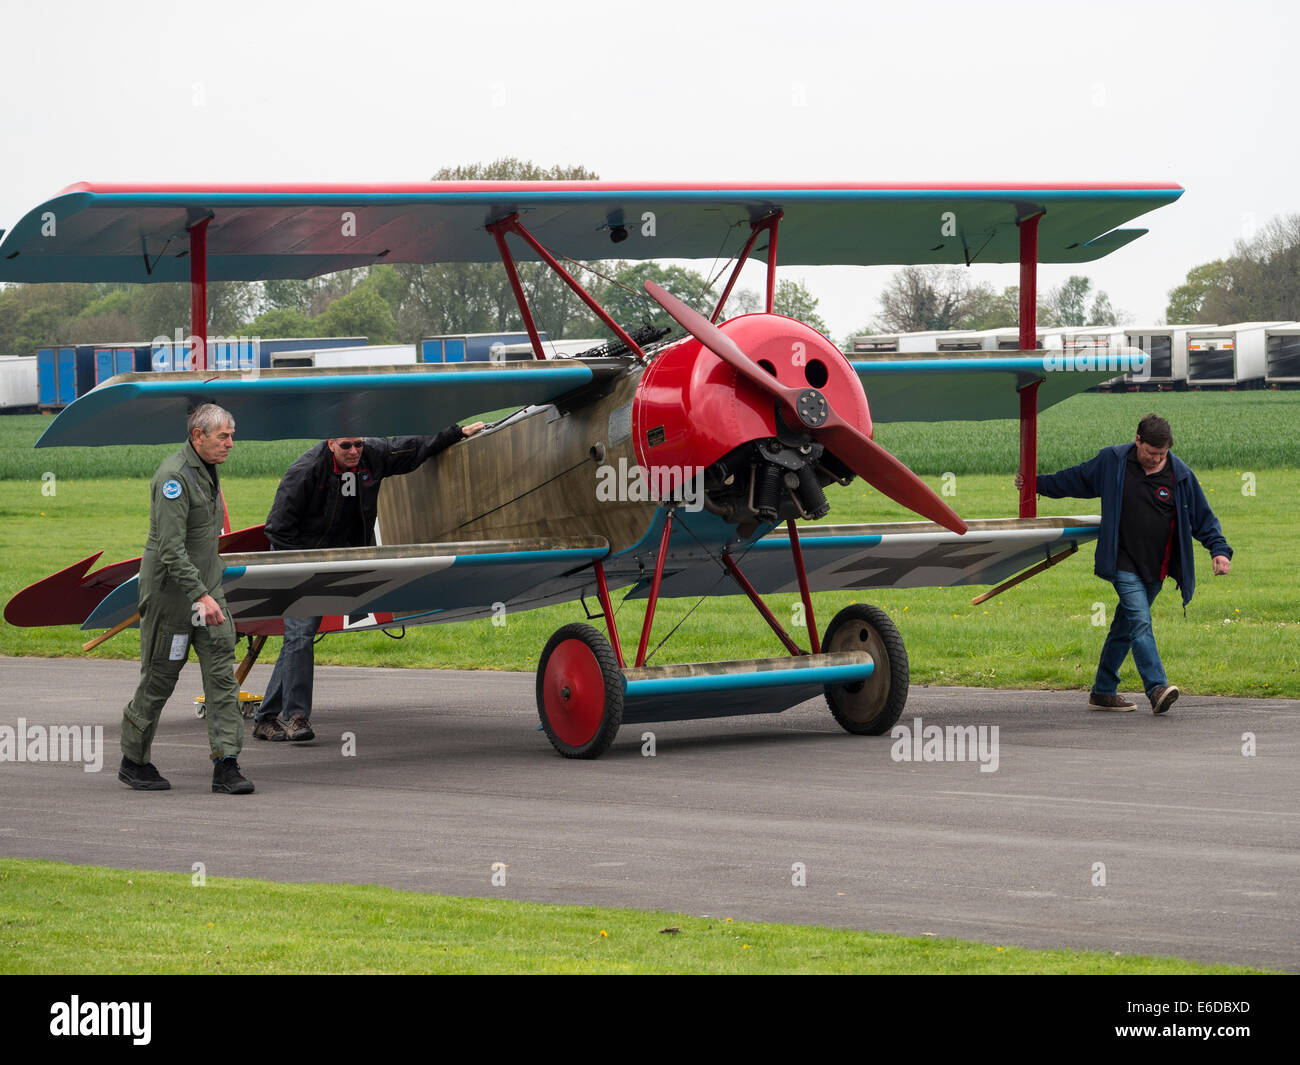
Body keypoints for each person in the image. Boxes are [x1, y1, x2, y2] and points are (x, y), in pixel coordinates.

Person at [253, 423, 485, 741]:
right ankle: (296, 718)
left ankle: (265, 717)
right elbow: (277, 528)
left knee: (299, 639)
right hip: (298, 559)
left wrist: (455, 433)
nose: (354, 451)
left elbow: (415, 446)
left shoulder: (373, 455)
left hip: (342, 559)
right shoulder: (306, 471)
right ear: (331, 442)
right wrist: (304, 567)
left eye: (359, 445)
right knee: (300, 635)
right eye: (347, 445)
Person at [1019, 413, 1232, 714]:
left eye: (1162, 453)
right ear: (1138, 440)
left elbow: (1202, 518)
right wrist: (1034, 483)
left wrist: (1219, 550)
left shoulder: (1179, 475)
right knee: (1141, 621)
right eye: (1151, 452)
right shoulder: (1113, 461)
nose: (1156, 459)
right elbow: (1076, 479)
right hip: (1122, 561)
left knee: (1125, 627)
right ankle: (1156, 687)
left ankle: (1103, 690)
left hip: (1157, 567)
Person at [118, 403, 254, 794]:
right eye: (223, 436)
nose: (231, 443)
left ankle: (226, 765)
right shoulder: (173, 478)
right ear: (198, 436)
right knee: (160, 679)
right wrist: (200, 595)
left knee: (221, 678)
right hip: (173, 598)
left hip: (209, 593)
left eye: (232, 435)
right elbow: (169, 550)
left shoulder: (208, 472)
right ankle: (134, 760)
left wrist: (212, 589)